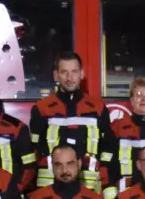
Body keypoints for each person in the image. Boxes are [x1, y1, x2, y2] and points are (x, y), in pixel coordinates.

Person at [30, 51, 107, 191]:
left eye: (74, 72)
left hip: (89, 187)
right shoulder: (41, 108)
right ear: (56, 75)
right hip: (49, 189)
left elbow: (106, 149)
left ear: (82, 74)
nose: (69, 77)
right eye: (64, 72)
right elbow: (35, 151)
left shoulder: (99, 108)